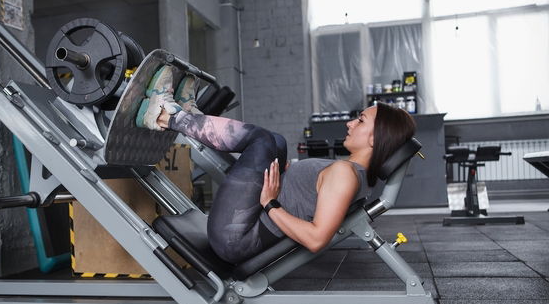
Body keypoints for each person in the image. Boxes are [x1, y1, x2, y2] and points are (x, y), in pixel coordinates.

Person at [135, 65, 416, 264]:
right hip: (244, 225)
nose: (350, 122)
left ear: (376, 139)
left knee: (262, 141)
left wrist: (271, 203)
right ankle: (187, 115)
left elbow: (317, 239)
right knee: (276, 142)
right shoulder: (348, 172)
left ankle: (165, 115)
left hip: (236, 236)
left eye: (361, 121)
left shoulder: (346, 175)